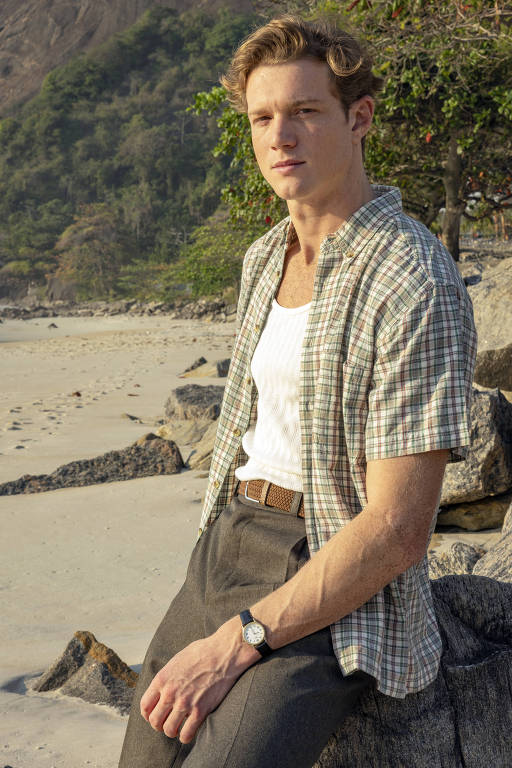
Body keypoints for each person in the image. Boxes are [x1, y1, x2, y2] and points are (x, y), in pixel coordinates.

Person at [119, 14, 477, 768]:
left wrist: (239, 642)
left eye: (306, 112)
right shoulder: (264, 257)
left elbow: (397, 529)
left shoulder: (412, 277)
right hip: (225, 545)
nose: (281, 135)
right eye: (262, 117)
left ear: (359, 118)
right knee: (142, 757)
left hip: (324, 570)